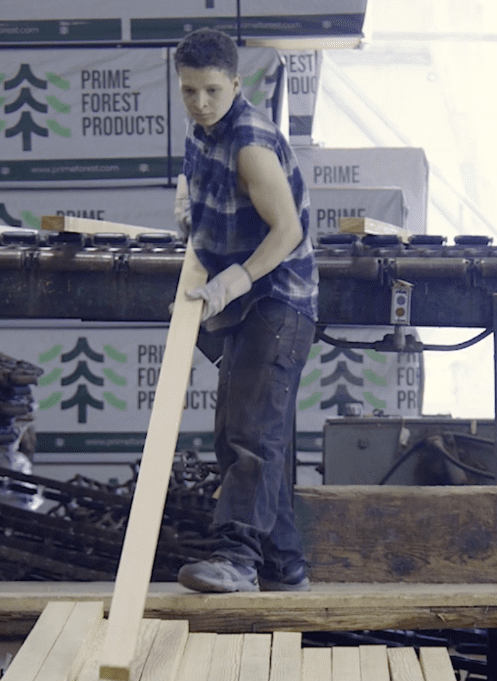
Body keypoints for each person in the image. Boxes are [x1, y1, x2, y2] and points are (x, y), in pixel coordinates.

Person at [171, 28, 318, 594]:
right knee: (240, 429)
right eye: (189, 91)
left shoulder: (250, 141)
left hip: (278, 299)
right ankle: (285, 566)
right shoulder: (204, 128)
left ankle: (238, 558)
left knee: (251, 434)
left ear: (236, 82)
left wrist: (236, 277)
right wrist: (192, 215)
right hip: (249, 303)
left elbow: (288, 230)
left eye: (212, 90)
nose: (201, 103)